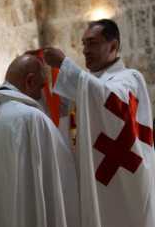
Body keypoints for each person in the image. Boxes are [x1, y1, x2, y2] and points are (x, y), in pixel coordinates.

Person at [43, 19, 155, 227]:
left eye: (92, 43)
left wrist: (65, 65)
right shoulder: (86, 86)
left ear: (113, 46)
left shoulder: (129, 78)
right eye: (84, 44)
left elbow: (113, 102)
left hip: (125, 177)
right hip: (93, 173)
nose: (85, 50)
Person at [0, 53, 79, 227]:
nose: (42, 94)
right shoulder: (32, 119)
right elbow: (60, 182)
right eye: (41, 87)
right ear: (30, 81)